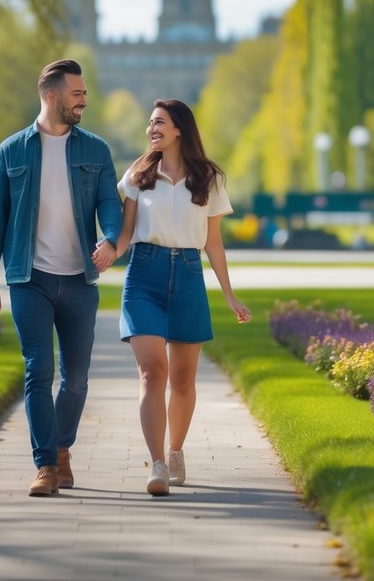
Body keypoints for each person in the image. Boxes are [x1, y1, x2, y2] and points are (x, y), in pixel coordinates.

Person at [0, 59, 122, 497]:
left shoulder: (95, 150)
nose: (84, 100)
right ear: (52, 96)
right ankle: (44, 466)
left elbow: (109, 205)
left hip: (79, 280)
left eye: (84, 94)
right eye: (77, 94)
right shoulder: (12, 151)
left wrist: (112, 240)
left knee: (76, 378)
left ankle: (61, 449)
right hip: (29, 279)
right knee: (38, 369)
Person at [100, 99, 252, 497]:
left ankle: (177, 450)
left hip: (187, 278)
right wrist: (106, 253)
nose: (152, 129)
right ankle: (158, 464)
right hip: (143, 278)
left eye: (159, 123)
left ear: (180, 128)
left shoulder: (209, 179)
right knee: (153, 372)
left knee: (183, 379)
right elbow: (126, 232)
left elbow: (214, 243)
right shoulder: (138, 173)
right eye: (150, 123)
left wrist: (230, 295)